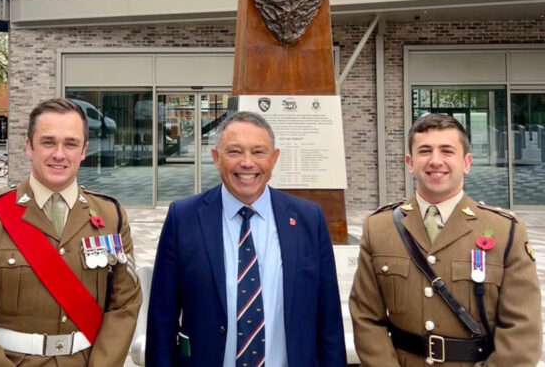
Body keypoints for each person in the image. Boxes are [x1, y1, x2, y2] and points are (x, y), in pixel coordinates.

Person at [0, 98, 143, 366]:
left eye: (70, 144)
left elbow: (124, 306)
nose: (59, 154)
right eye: (48, 142)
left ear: (84, 150)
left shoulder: (110, 216)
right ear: (29, 146)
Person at [146, 111, 347, 367]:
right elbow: (162, 320)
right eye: (234, 152)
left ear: (274, 159)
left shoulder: (308, 219)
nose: (247, 163)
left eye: (258, 152)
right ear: (216, 158)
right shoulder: (183, 218)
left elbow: (329, 320)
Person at [349, 113, 542, 366]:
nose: (435, 161)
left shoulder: (506, 231)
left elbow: (522, 331)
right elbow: (366, 317)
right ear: (410, 162)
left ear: (467, 162)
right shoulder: (379, 227)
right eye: (425, 151)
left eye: (447, 151)